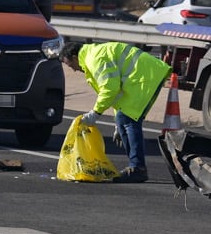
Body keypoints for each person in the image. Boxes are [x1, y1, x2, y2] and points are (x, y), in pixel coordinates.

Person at [72, 39, 172, 184]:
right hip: (145, 75)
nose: (74, 69)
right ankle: (136, 167)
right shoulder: (93, 55)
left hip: (143, 78)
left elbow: (110, 89)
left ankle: (137, 168)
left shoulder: (94, 59)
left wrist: (95, 113)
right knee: (123, 119)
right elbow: (116, 94)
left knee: (127, 119)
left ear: (74, 57)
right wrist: (116, 125)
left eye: (70, 64)